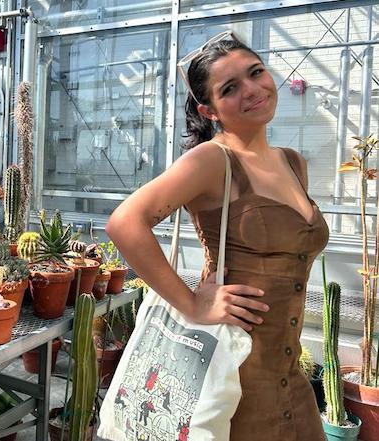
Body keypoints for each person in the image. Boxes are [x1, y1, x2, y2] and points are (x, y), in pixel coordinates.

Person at [106, 30, 328, 441]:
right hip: (231, 374)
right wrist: (192, 303)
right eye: (230, 88)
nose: (252, 89)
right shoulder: (212, 161)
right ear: (209, 111)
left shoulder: (293, 163)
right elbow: (125, 222)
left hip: (290, 375)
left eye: (255, 72)